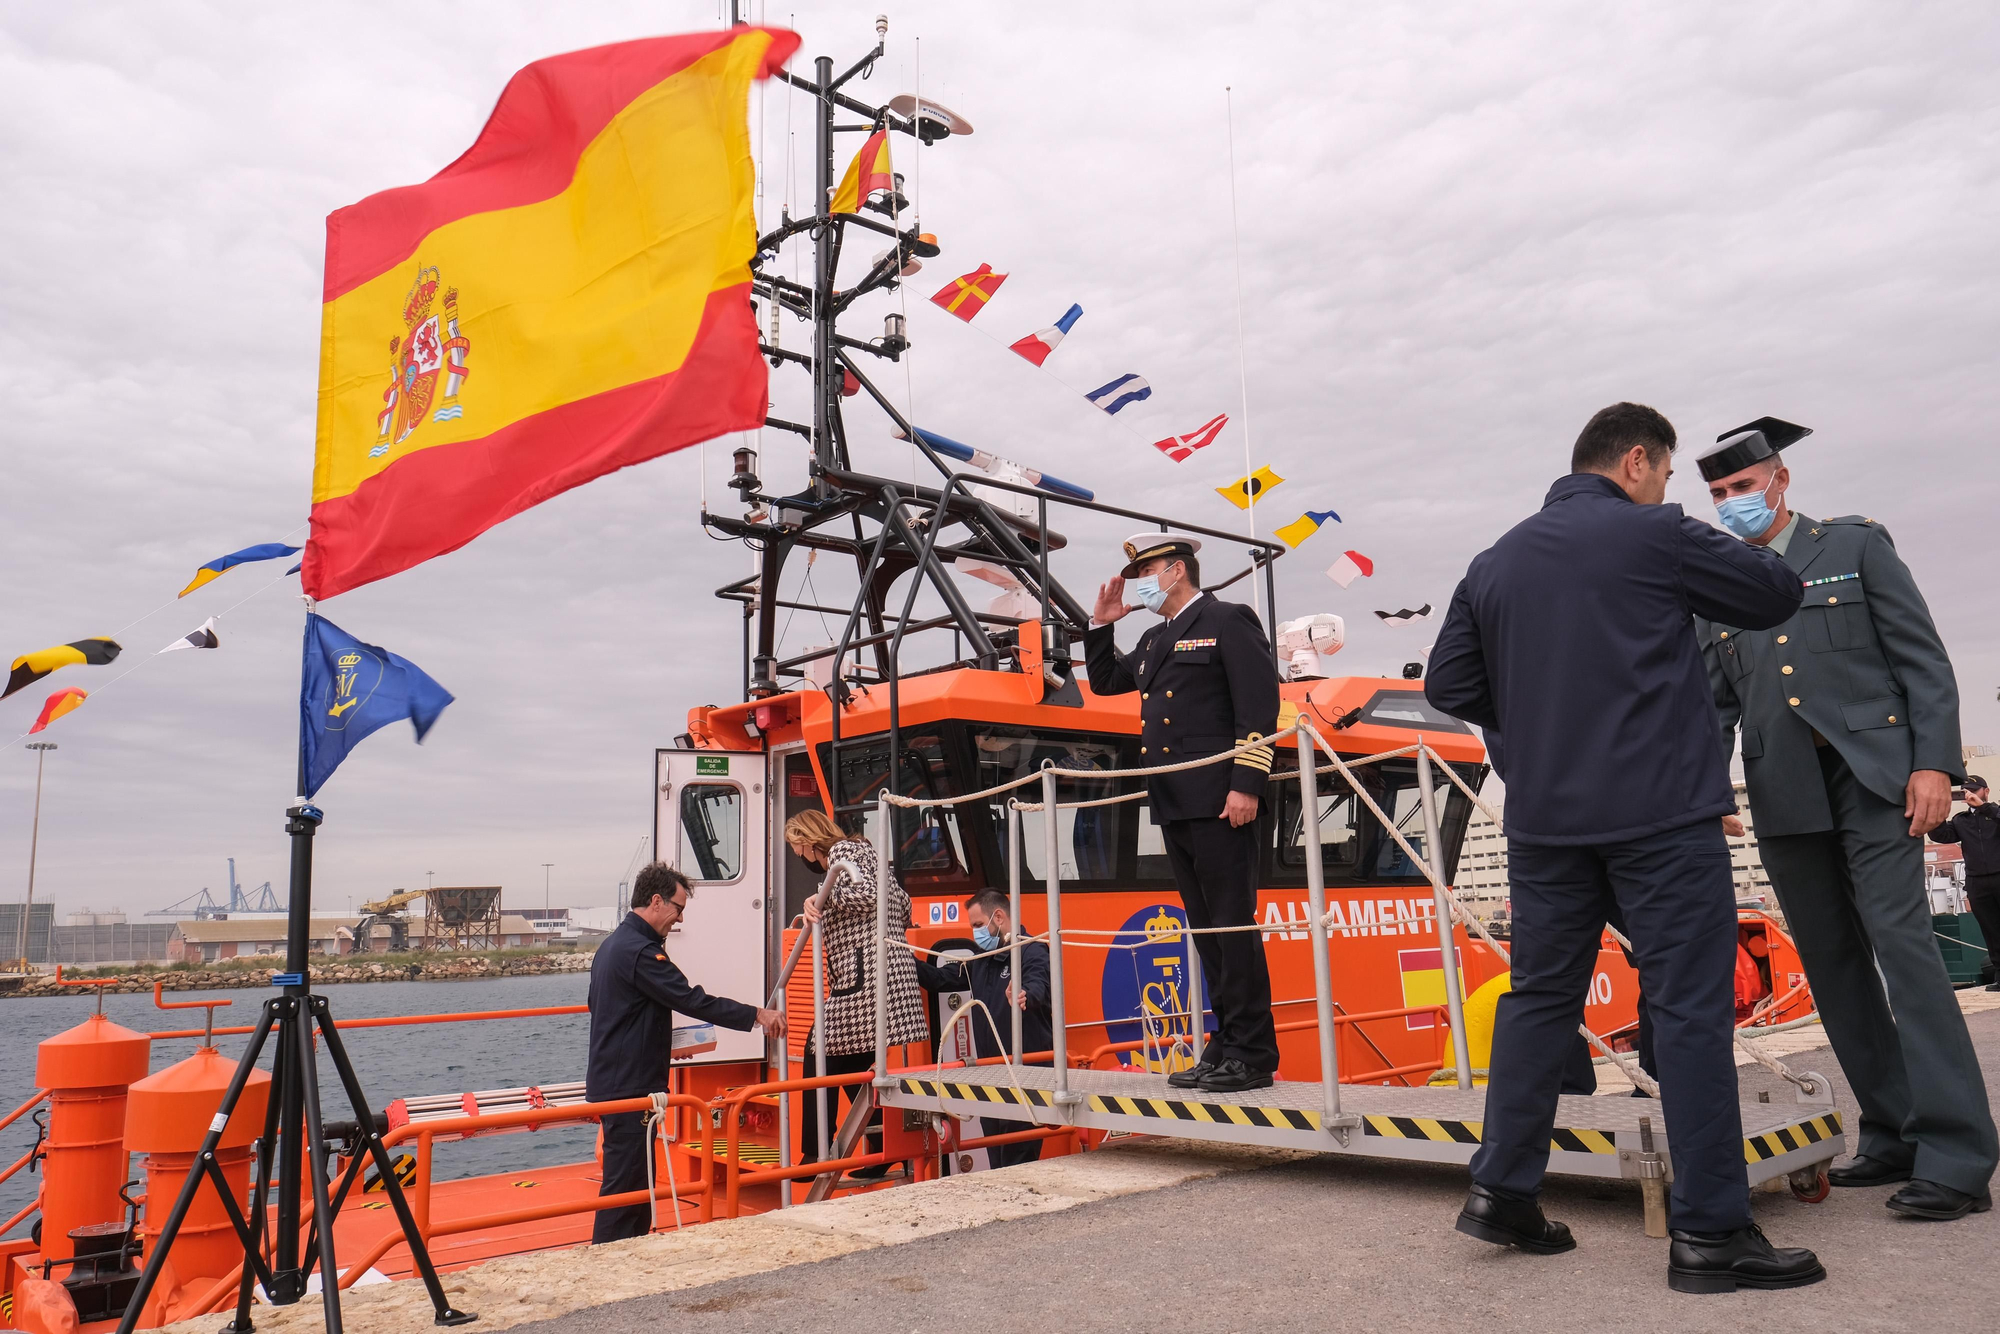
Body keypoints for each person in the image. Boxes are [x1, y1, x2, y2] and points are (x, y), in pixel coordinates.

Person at [1426, 402, 1822, 1293]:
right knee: (1684, 1009)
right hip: (1658, 817)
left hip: (1545, 823)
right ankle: (1713, 1233)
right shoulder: (1656, 536)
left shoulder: (1497, 561)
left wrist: (1536, 736)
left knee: (1538, 1002)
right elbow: (1774, 593)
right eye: (1670, 474)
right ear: (1638, 460)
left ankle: (1502, 1192)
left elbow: (1452, 681)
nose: (1669, 490)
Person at [1696, 418, 1997, 1221]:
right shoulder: (1719, 585)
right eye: (1719, 494)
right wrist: (1703, 794)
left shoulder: (1854, 547)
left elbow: (1921, 659)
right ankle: (1893, 1131)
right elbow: (1710, 707)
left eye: (1741, 488)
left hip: (1876, 785)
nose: (1732, 504)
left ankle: (1960, 1155)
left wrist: (1934, 764)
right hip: (1785, 795)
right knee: (1832, 965)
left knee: (1906, 955)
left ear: (1779, 479)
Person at [1085, 532, 1281, 1093]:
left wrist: (1247, 783)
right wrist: (1101, 625)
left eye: (1145, 571)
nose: (1137, 582)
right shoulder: (1153, 638)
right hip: (1175, 801)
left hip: (1222, 799)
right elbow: (1104, 683)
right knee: (1206, 929)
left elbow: (1257, 705)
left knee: (1232, 925)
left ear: (1175, 570)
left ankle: (1253, 1053)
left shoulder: (1227, 619)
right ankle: (1227, 1041)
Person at [586, 863, 782, 1243]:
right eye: (678, 909)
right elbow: (692, 999)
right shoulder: (642, 953)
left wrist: (667, 1043)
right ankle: (607, 1257)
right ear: (656, 901)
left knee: (635, 1180)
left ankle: (628, 1250)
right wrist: (756, 1014)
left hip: (615, 1081)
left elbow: (614, 1012)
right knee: (625, 1187)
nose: (678, 919)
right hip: (629, 1088)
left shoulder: (612, 946)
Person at [784, 808, 929, 1168]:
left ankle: (815, 1150)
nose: (797, 856)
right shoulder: (866, 853)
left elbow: (867, 898)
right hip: (886, 977)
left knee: (818, 1049)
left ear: (806, 841)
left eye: (795, 848)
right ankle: (882, 1148)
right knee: (854, 1063)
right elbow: (902, 904)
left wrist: (822, 896)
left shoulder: (841, 854)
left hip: (863, 980)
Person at [915, 888, 1054, 1167]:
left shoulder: (1032, 950)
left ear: (998, 917)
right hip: (992, 1079)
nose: (975, 932)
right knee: (996, 1162)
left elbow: (1038, 983)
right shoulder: (980, 959)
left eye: (978, 925)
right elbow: (941, 979)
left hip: (1026, 1080)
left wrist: (1025, 994)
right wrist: (902, 961)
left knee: (1019, 1163)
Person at [1931, 776, 2000, 990]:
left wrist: (1986, 807)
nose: (1970, 794)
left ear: (1986, 791)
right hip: (1977, 882)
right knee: (1991, 930)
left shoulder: (1995, 814)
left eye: (1974, 790)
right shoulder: (1961, 820)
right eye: (1965, 791)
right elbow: (1940, 835)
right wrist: (1940, 811)